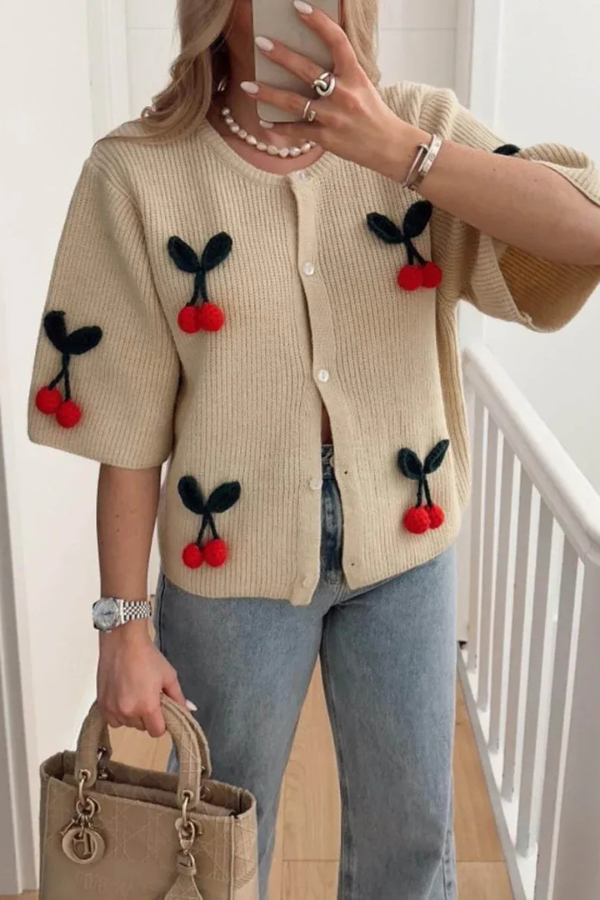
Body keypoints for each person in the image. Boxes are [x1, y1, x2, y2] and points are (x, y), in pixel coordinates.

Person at [27, 0, 600, 897]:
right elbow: (127, 427)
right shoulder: (136, 173)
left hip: (405, 551)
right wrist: (122, 626)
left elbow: (587, 225)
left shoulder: (418, 129)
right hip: (230, 566)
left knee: (412, 841)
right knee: (216, 840)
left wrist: (401, 152)